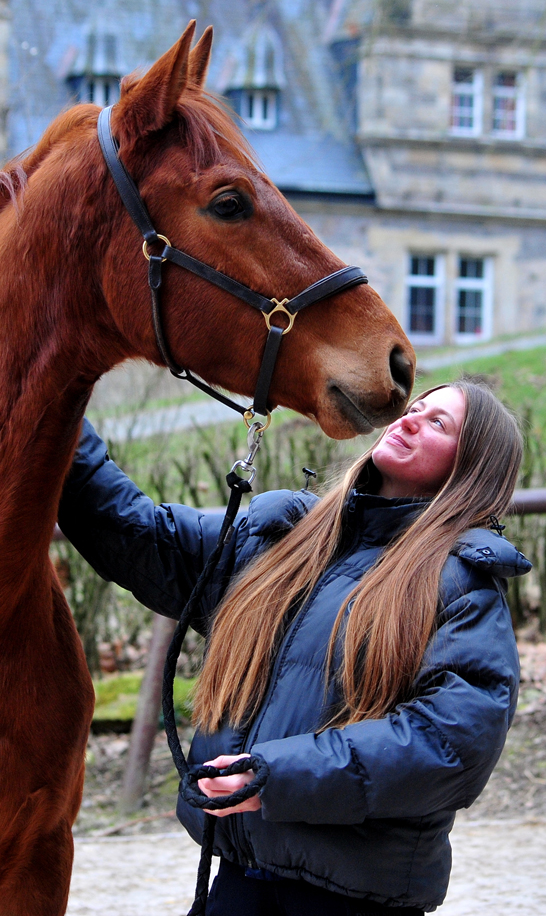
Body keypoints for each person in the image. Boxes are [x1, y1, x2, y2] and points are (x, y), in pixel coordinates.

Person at [58, 381, 530, 915]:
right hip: (237, 880)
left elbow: (451, 745)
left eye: (439, 423)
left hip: (355, 900)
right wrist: (60, 404)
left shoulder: (462, 584)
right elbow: (140, 535)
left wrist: (279, 777)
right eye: (416, 407)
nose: (411, 418)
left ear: (470, 468)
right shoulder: (284, 535)